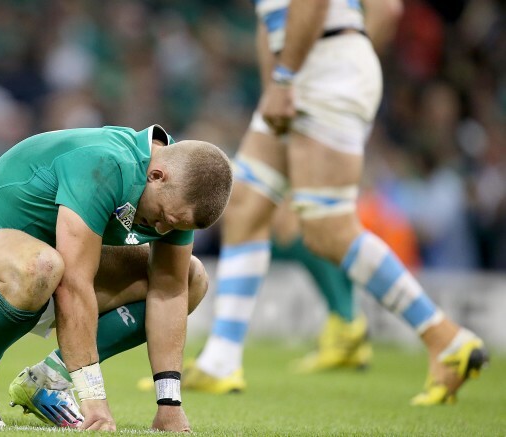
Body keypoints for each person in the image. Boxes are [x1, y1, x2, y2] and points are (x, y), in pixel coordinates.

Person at [182, 0, 489, 406]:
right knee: (244, 205)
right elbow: (270, 21)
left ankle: (445, 338)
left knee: (328, 229)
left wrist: (295, 74)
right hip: (301, 68)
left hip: (319, 68)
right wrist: (277, 85)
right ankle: (221, 358)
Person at [0, 124, 233, 431]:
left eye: (175, 226)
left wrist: (170, 405)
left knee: (192, 277)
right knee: (43, 265)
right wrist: (93, 397)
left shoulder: (178, 187)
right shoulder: (104, 163)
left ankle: (48, 381)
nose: (162, 230)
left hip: (45, 274)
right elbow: (74, 284)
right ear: (156, 176)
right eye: (164, 217)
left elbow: (170, 292)